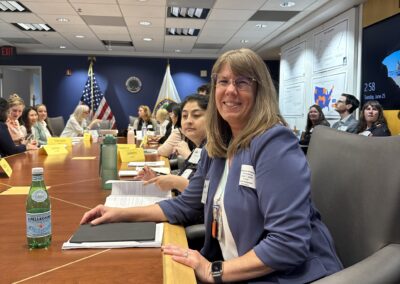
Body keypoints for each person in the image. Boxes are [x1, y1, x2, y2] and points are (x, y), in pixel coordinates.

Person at [81, 48, 342, 283]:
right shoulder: (217, 147)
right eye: (223, 82)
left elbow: (288, 244)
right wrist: (118, 213)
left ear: (260, 91)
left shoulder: (274, 143)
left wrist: (213, 271)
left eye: (242, 82)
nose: (230, 90)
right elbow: (186, 205)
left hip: (288, 276)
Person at [137, 95, 208, 193]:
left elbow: (201, 195)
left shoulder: (213, 151)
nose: (188, 121)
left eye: (196, 115)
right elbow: (188, 180)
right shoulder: (198, 146)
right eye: (184, 116)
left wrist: (174, 182)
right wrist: (157, 179)